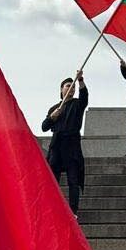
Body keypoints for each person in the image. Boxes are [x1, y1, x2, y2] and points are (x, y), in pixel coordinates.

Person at [42, 70, 88, 215]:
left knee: (73, 181)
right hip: (57, 146)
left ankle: (73, 211)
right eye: (68, 86)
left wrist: (80, 81)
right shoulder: (54, 108)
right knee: (53, 181)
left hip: (72, 146)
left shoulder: (77, 104)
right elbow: (44, 127)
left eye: (73, 87)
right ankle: (52, 208)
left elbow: (84, 98)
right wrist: (51, 117)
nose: (71, 88)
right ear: (61, 89)